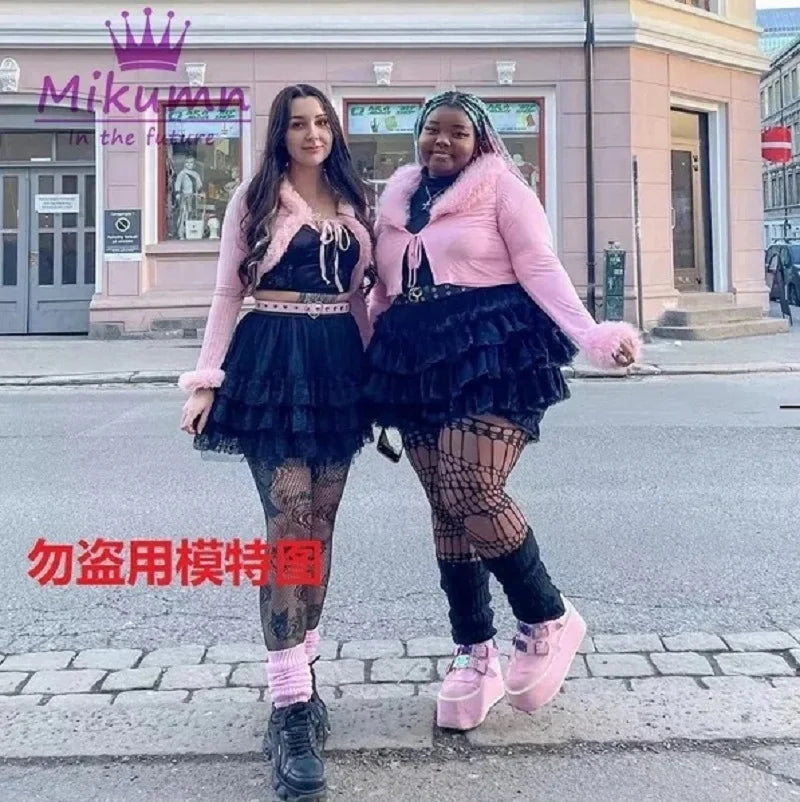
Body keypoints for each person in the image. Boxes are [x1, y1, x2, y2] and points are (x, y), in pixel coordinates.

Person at [364, 91, 640, 732]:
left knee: (472, 486)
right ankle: (474, 651)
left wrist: (592, 335)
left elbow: (541, 267)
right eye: (432, 129)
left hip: (491, 343)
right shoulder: (398, 199)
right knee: (446, 504)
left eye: (457, 132)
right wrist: (361, 356)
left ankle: (547, 615)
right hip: (414, 353)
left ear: (480, 140)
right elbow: (383, 289)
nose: (442, 141)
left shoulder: (503, 189)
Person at [178, 83, 374, 802]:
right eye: (298, 123)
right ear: (279, 133)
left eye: (322, 122)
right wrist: (205, 381)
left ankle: (303, 678)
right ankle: (289, 709)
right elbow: (226, 294)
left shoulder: (356, 200)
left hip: (338, 362)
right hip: (270, 357)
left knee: (320, 526)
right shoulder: (254, 198)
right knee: (289, 524)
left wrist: (383, 374)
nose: (312, 133)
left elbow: (365, 298)